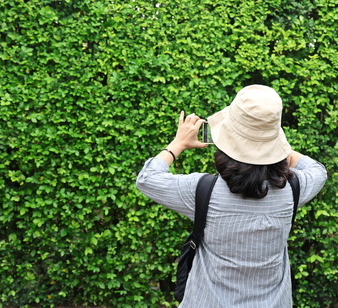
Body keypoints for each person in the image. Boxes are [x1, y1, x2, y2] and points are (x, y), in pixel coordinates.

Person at [136, 84, 327, 307]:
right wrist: (271, 143)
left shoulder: (201, 190)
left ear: (225, 140)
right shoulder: (294, 190)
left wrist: (177, 144)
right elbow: (317, 170)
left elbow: (147, 178)